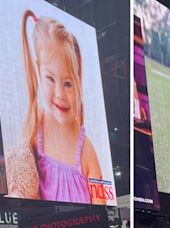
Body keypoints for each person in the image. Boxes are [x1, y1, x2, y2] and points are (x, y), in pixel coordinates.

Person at [8, 10, 105, 204]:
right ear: (38, 69)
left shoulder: (87, 153)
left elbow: (101, 210)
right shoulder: (35, 132)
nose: (60, 94)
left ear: (79, 81)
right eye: (50, 78)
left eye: (68, 83)